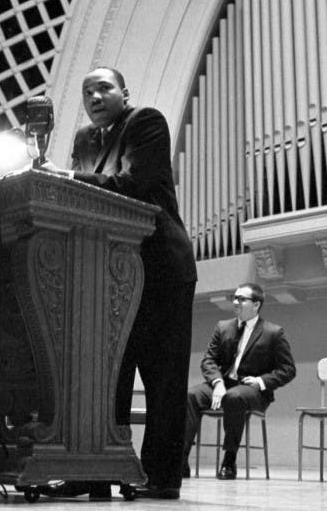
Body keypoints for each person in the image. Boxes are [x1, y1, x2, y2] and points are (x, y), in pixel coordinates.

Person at [37, 67, 197, 500]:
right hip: (105, 270)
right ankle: (93, 470)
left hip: (160, 264)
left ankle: (161, 478)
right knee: (104, 375)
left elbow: (132, 187)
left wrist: (66, 179)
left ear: (125, 93)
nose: (94, 96)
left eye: (104, 87)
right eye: (87, 91)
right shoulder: (84, 141)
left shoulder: (146, 122)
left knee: (163, 379)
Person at [183, 282, 295, 480]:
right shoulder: (223, 327)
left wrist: (261, 381)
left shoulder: (273, 333)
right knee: (191, 395)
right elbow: (209, 360)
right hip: (223, 384)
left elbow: (288, 370)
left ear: (256, 304)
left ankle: (229, 459)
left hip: (253, 392)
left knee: (234, 397)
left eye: (242, 299)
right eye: (234, 298)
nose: (236, 302)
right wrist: (217, 383)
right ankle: (181, 460)